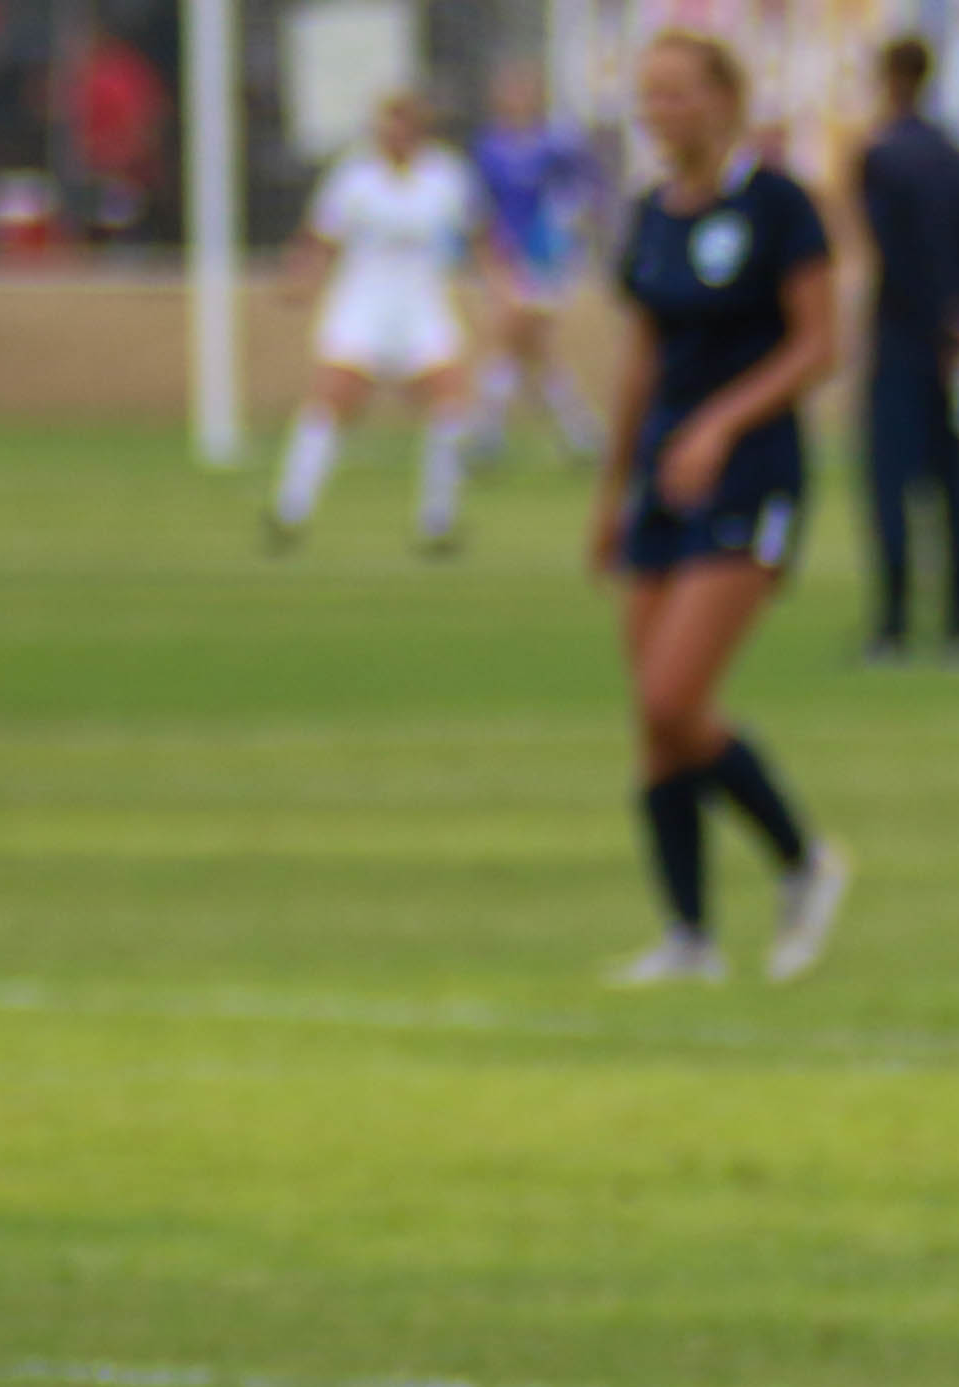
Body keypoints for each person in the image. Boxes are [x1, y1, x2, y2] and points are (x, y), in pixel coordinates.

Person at [596, 30, 851, 987]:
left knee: (675, 697)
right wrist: (613, 488)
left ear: (726, 100)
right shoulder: (648, 217)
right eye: (649, 98)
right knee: (653, 722)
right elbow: (642, 360)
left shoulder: (780, 206)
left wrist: (720, 424)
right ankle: (689, 940)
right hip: (662, 481)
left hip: (752, 477)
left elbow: (819, 344)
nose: (662, 115)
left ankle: (805, 861)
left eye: (678, 96)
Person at [268, 92, 491, 556]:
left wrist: (503, 286)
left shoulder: (446, 176)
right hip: (362, 305)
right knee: (331, 402)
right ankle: (290, 511)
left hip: (422, 305)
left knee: (450, 406)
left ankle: (438, 522)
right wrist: (303, 277)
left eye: (403, 124)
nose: (393, 134)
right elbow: (322, 238)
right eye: (386, 124)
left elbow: (481, 236)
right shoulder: (354, 177)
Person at [857, 34, 959, 666]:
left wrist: (928, 321)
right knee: (955, 489)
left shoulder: (882, 159)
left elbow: (892, 252)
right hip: (957, 345)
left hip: (901, 340)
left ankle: (892, 625)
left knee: (891, 484)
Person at [468, 61, 613, 464]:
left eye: (523, 90)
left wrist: (577, 221)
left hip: (546, 257)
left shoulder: (556, 143)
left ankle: (490, 432)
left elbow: (590, 188)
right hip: (506, 257)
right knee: (526, 344)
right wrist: (488, 256)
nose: (516, 99)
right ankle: (580, 431)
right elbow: (481, 206)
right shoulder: (489, 147)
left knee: (517, 338)